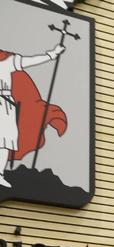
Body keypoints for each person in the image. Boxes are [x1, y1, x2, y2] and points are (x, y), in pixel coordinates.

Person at [0, 44, 66, 188]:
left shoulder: (6, 61)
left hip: (4, 105)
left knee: (4, 143)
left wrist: (51, 55)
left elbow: (28, 61)